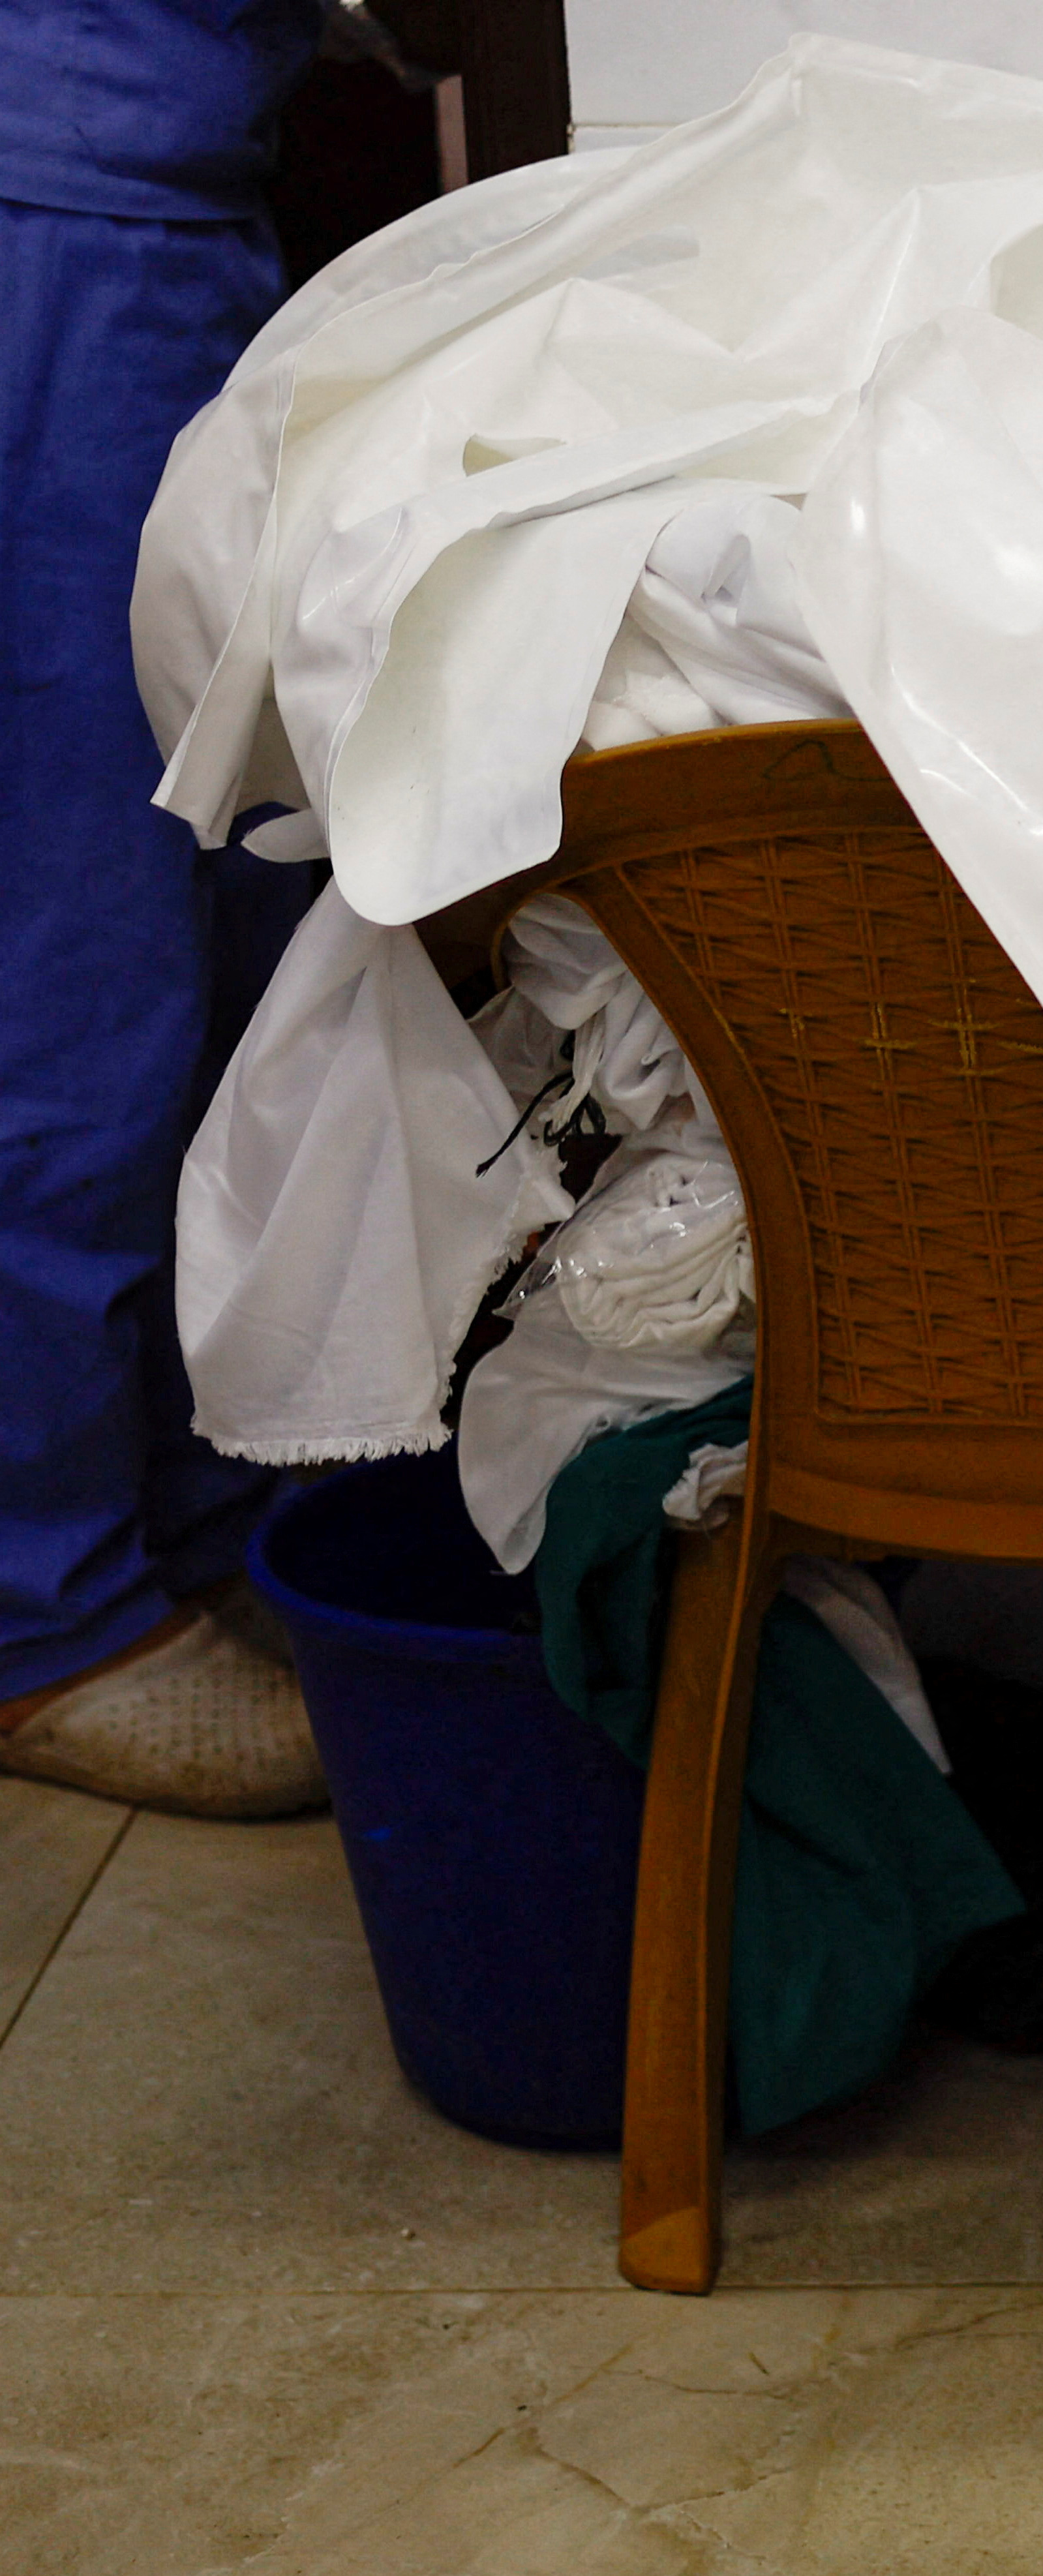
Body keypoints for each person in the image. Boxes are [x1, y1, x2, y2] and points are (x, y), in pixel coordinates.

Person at [0, 1, 457, 1815]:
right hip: (54, 227)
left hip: (160, 211)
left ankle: (175, 1523)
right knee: (76, 970)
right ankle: (44, 1619)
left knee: (206, 930)